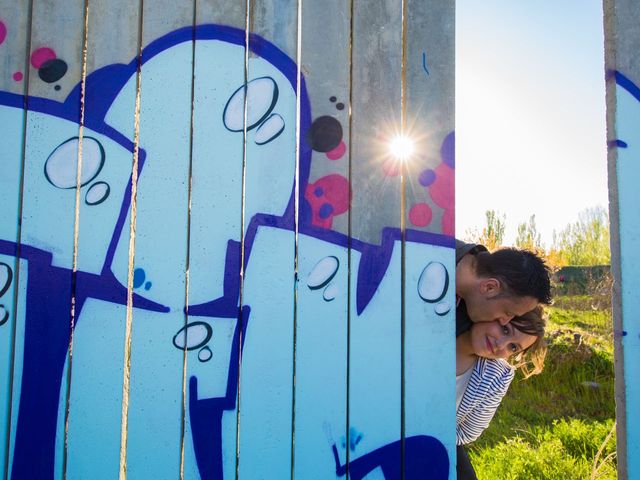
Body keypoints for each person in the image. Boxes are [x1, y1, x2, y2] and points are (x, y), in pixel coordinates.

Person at [455, 306, 547, 479]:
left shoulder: (498, 375)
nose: (501, 344)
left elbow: (468, 432)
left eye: (513, 347)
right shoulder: (436, 331)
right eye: (505, 329)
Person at [456, 239, 553, 336]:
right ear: (490, 287)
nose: (504, 322)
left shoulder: (465, 313)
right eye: (508, 313)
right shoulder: (442, 245)